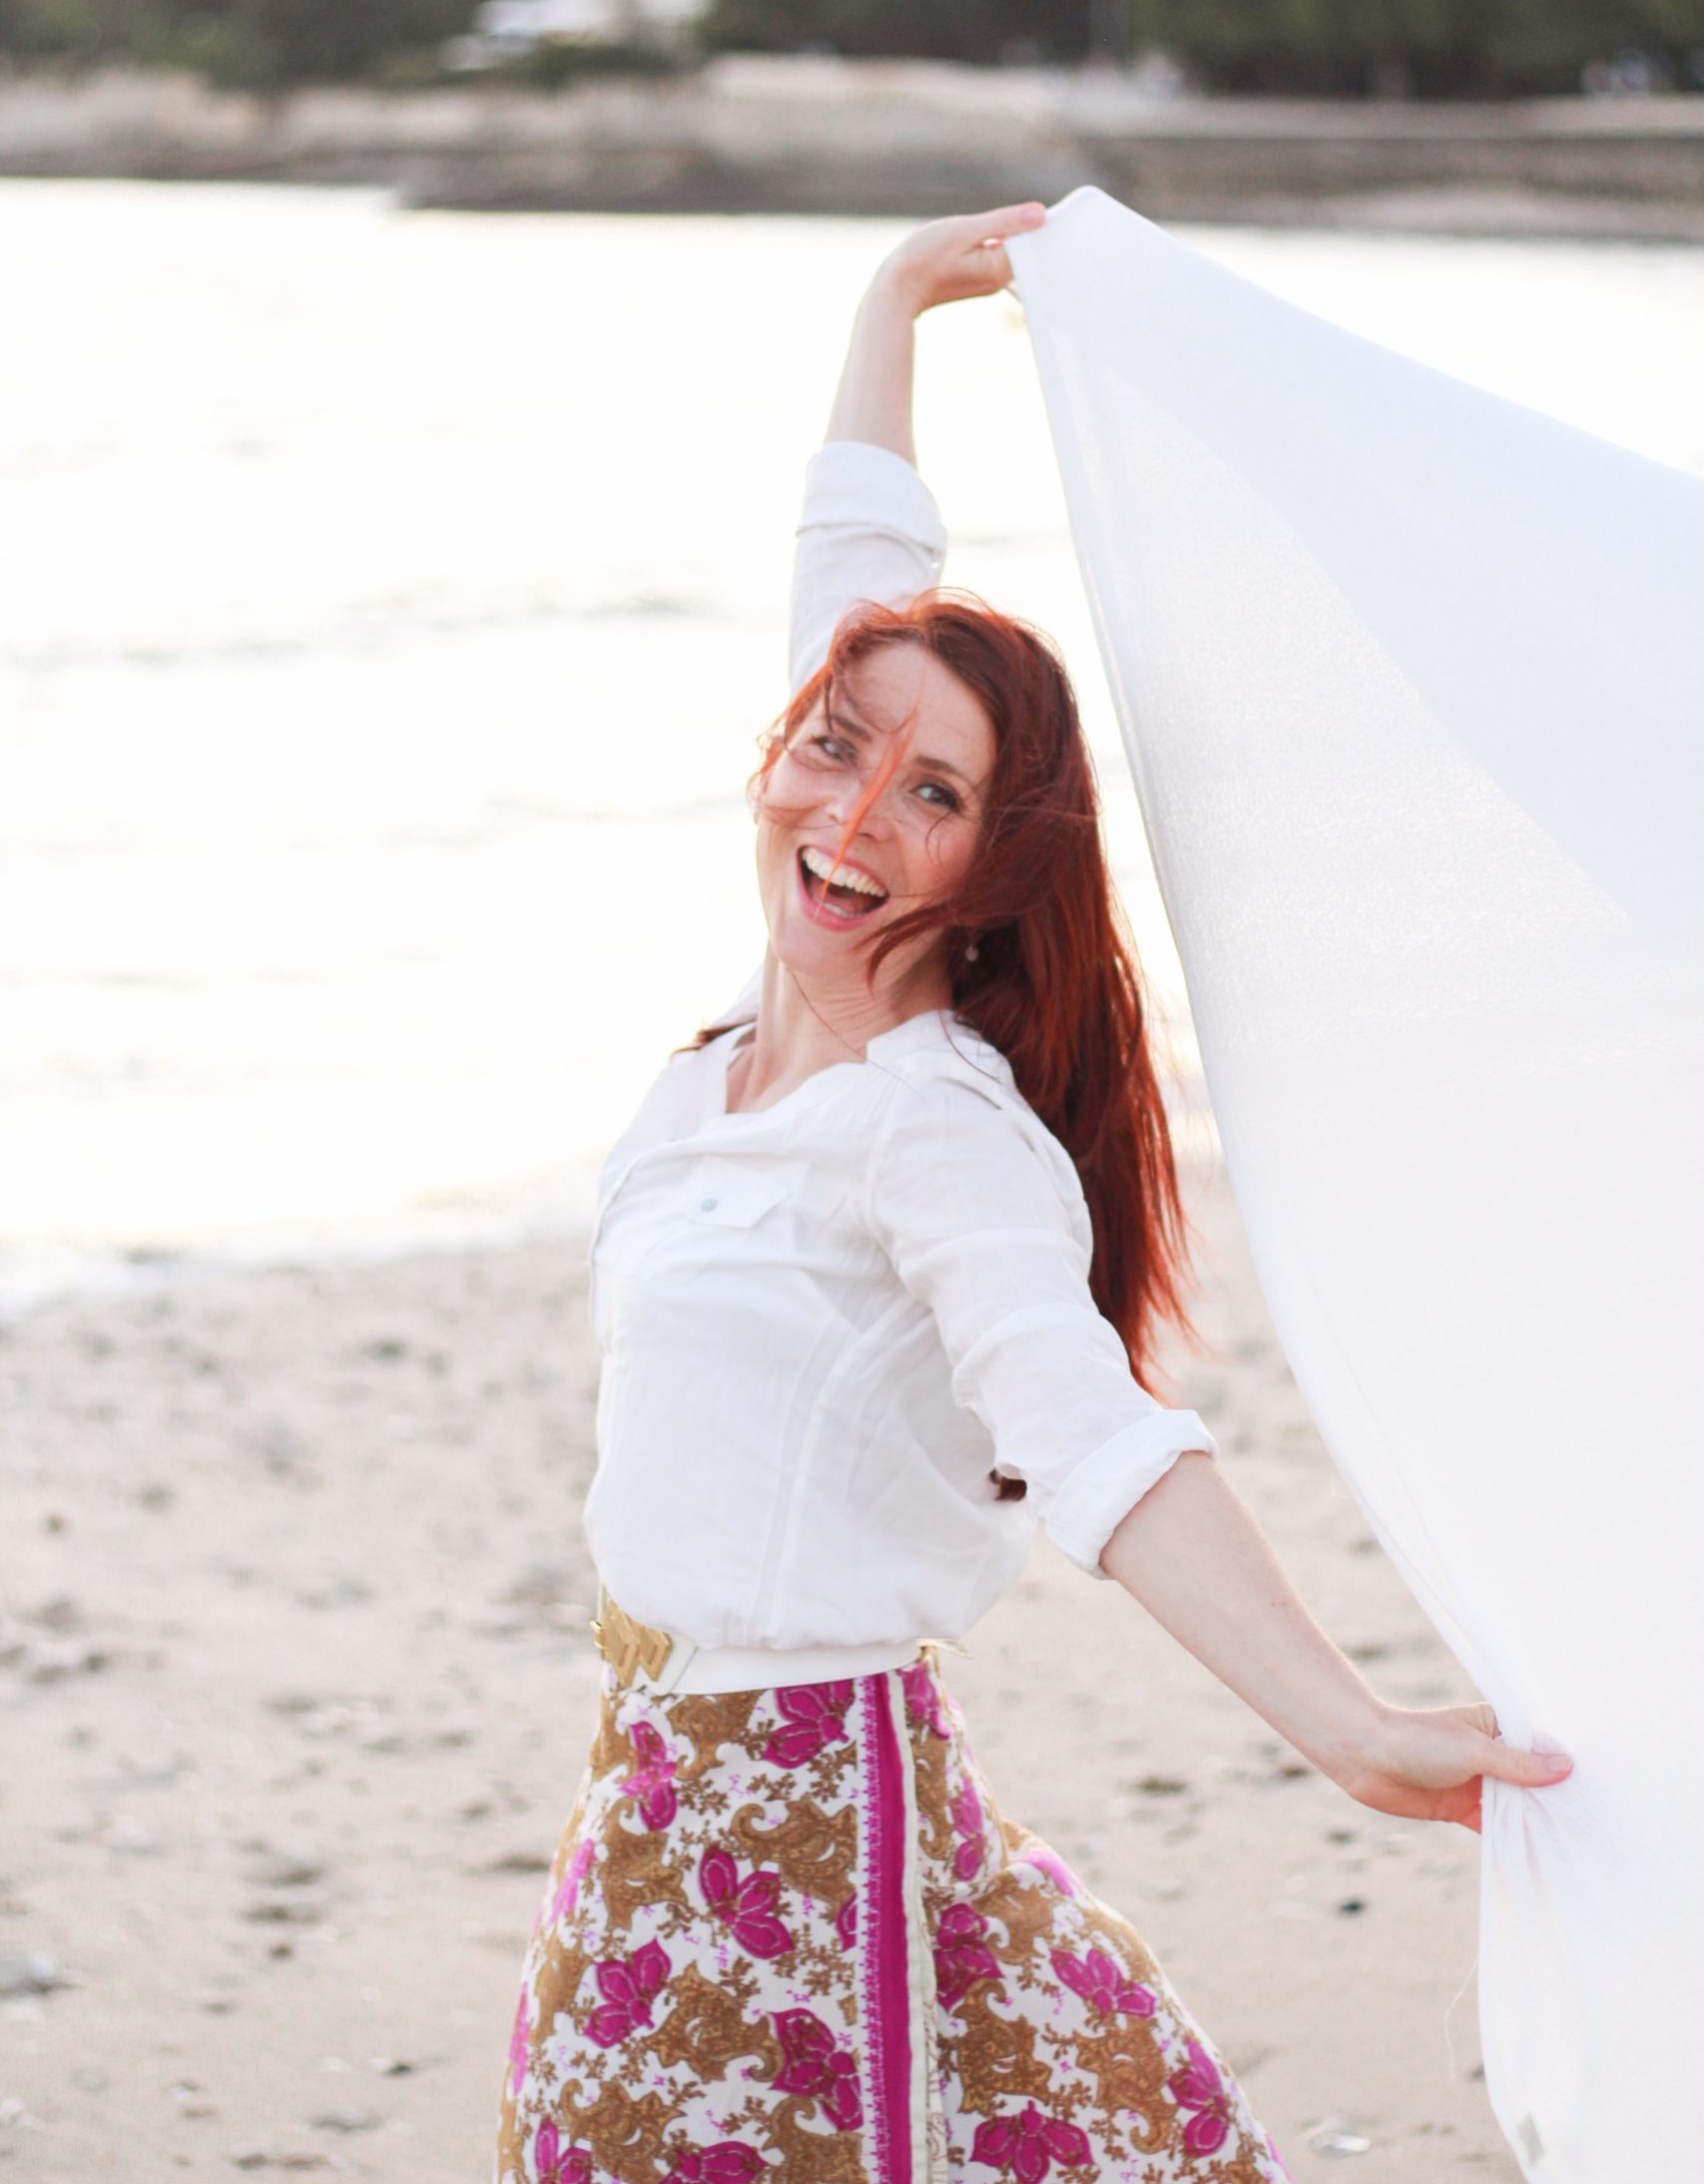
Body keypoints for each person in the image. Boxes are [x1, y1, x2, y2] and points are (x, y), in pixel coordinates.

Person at [495, 203, 1573, 2184]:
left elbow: (1091, 1435)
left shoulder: (934, 1125)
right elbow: (854, 584)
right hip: (646, 1777)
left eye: (931, 796)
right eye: (836, 753)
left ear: (997, 858)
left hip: (811, 1813)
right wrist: (892, 298)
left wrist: (1336, 1722)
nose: (853, 813)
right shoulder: (747, 1029)